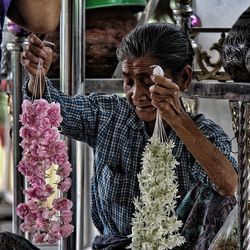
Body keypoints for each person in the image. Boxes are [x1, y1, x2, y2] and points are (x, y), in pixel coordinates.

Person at [20, 23, 237, 250]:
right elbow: (58, 109)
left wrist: (176, 118)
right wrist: (38, 78)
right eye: (129, 81)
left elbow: (228, 185)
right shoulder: (108, 115)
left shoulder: (205, 134)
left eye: (148, 81)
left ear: (183, 78)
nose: (137, 94)